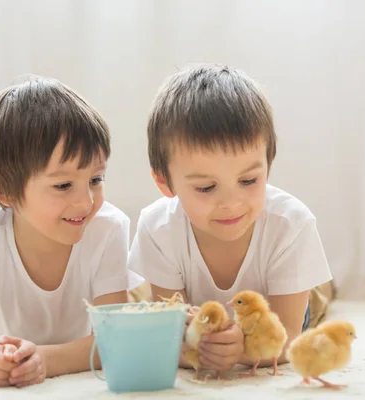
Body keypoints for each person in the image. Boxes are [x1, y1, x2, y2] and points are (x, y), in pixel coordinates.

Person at [128, 64, 334, 374]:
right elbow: (172, 336)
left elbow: (289, 337)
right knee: (142, 302)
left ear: (268, 166)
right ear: (165, 184)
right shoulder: (158, 228)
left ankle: (324, 285)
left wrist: (242, 350)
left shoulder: (291, 224)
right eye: (206, 188)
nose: (231, 203)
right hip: (212, 315)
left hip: (279, 305)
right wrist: (195, 348)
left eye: (249, 180)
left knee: (317, 297)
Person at [0, 76, 139, 387]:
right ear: (6, 192)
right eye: (63, 185)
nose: (86, 201)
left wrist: (43, 359)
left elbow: (112, 340)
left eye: (96, 180)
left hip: (64, 350)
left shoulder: (108, 229)